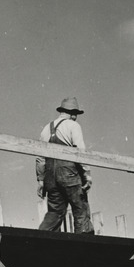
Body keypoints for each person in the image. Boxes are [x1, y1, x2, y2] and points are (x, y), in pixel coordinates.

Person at [36, 97, 94, 234]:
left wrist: (41, 180)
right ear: (73, 114)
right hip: (69, 172)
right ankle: (83, 242)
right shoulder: (73, 125)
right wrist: (87, 175)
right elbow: (80, 152)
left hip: (50, 176)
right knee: (80, 208)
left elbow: (40, 158)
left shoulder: (46, 129)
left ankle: (41, 240)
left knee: (54, 212)